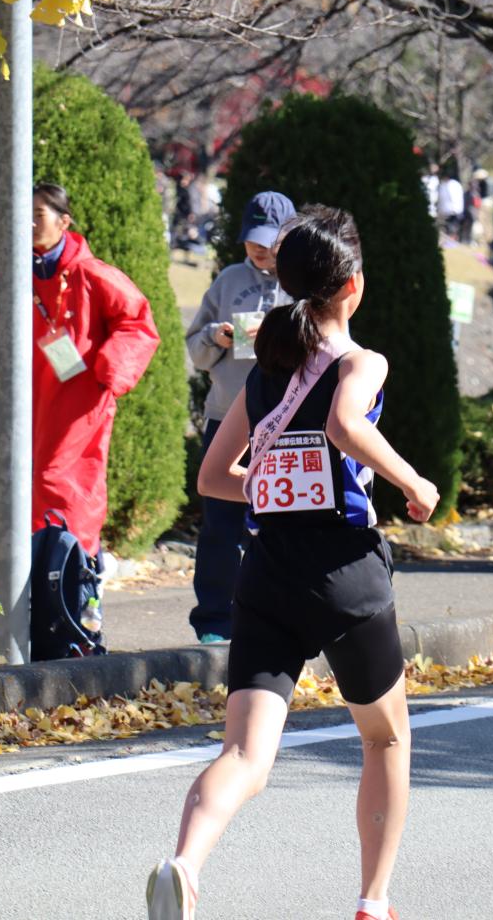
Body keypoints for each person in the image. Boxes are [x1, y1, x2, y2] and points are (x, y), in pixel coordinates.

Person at [148, 205, 439, 920]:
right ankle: (373, 901)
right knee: (387, 737)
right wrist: (413, 482)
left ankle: (183, 864)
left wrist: (277, 480)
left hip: (267, 572)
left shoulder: (265, 374)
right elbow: (344, 423)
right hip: (346, 576)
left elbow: (215, 478)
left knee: (246, 757)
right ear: (354, 286)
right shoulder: (361, 362)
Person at [0, 182, 160, 575]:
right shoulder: (9, 272)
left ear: (64, 221)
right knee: (25, 484)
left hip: (80, 404)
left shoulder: (92, 273)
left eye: (39, 215)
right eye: (25, 217)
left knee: (70, 488)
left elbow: (138, 323)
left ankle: (80, 580)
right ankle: (38, 586)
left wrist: (109, 371)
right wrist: (2, 363)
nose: (30, 225)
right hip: (25, 399)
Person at [185, 190, 296, 643]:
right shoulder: (228, 280)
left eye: (270, 240)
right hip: (226, 416)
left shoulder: (300, 284)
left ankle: (277, 615)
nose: (261, 248)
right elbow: (195, 349)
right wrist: (216, 336)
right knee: (221, 526)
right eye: (254, 239)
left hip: (285, 420)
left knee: (280, 521)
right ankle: (214, 619)